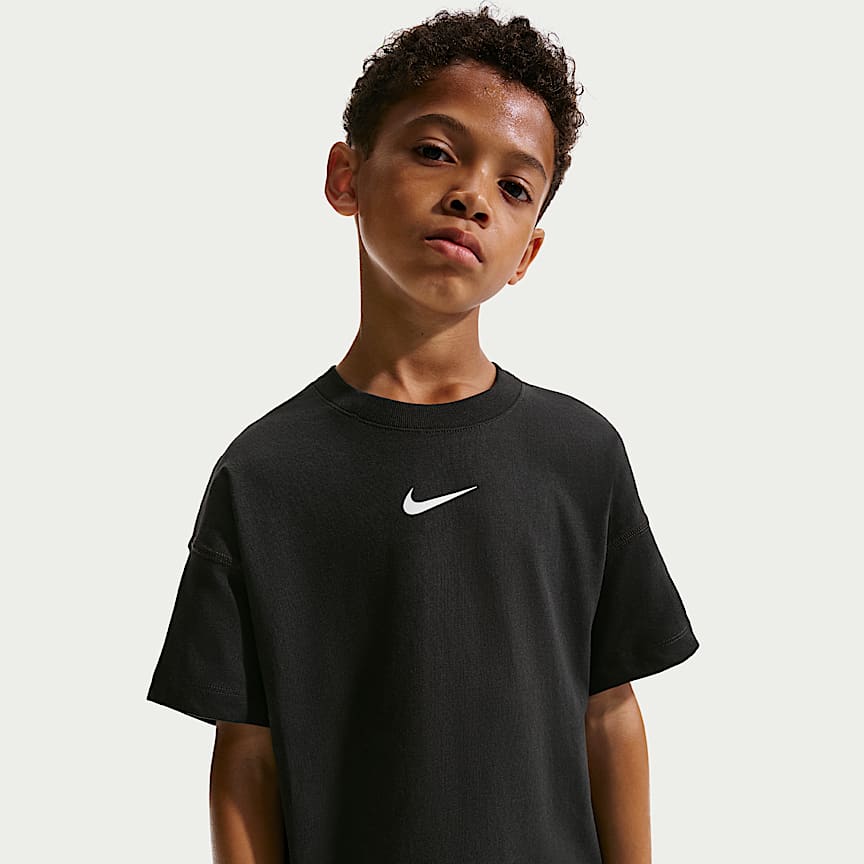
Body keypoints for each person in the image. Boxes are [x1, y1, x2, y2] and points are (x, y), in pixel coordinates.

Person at [146, 7, 700, 863]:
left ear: (527, 254)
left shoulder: (582, 455)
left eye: (514, 187)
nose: (472, 195)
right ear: (347, 177)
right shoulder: (263, 475)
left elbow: (610, 714)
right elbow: (247, 755)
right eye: (436, 151)